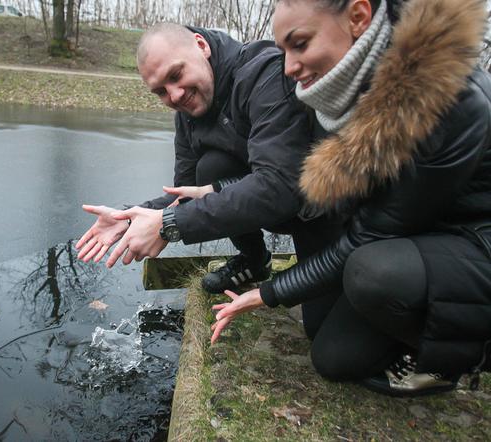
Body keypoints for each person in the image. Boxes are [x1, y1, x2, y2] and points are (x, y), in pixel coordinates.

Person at [210, 0, 491, 397]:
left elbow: (367, 237)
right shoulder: (341, 91)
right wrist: (216, 190)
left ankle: (458, 358)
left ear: (358, 17)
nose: (288, 66)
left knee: (371, 273)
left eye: (300, 44)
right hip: (411, 230)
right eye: (283, 49)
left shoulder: (450, 99)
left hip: (472, 240)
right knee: (332, 355)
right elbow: (288, 181)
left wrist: (266, 294)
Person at [76, 23, 343, 302]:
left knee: (325, 337)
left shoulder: (265, 74)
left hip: (320, 209)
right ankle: (254, 260)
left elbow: (278, 188)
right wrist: (131, 217)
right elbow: (186, 192)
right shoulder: (186, 111)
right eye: (161, 92)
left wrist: (169, 225)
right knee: (209, 169)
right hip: (269, 202)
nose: (175, 95)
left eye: (176, 75)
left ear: (201, 46)